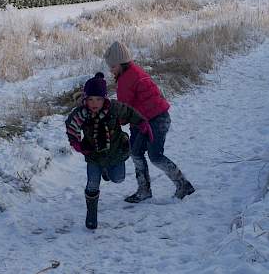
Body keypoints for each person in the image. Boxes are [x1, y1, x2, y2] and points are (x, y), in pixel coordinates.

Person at [104, 41, 195, 203]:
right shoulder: (133, 72)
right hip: (145, 120)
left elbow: (124, 109)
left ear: (121, 63)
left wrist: (115, 122)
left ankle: (183, 185)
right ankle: (144, 190)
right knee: (136, 152)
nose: (111, 71)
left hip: (156, 119)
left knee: (155, 155)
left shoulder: (126, 79)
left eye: (112, 67)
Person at [65, 72, 153, 229]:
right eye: (90, 99)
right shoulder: (82, 113)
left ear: (104, 98)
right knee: (92, 184)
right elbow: (71, 125)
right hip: (93, 154)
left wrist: (142, 123)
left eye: (98, 99)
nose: (94, 103)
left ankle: (107, 171)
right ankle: (91, 216)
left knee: (118, 178)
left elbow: (129, 112)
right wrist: (76, 142)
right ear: (85, 99)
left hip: (116, 153)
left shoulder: (113, 108)